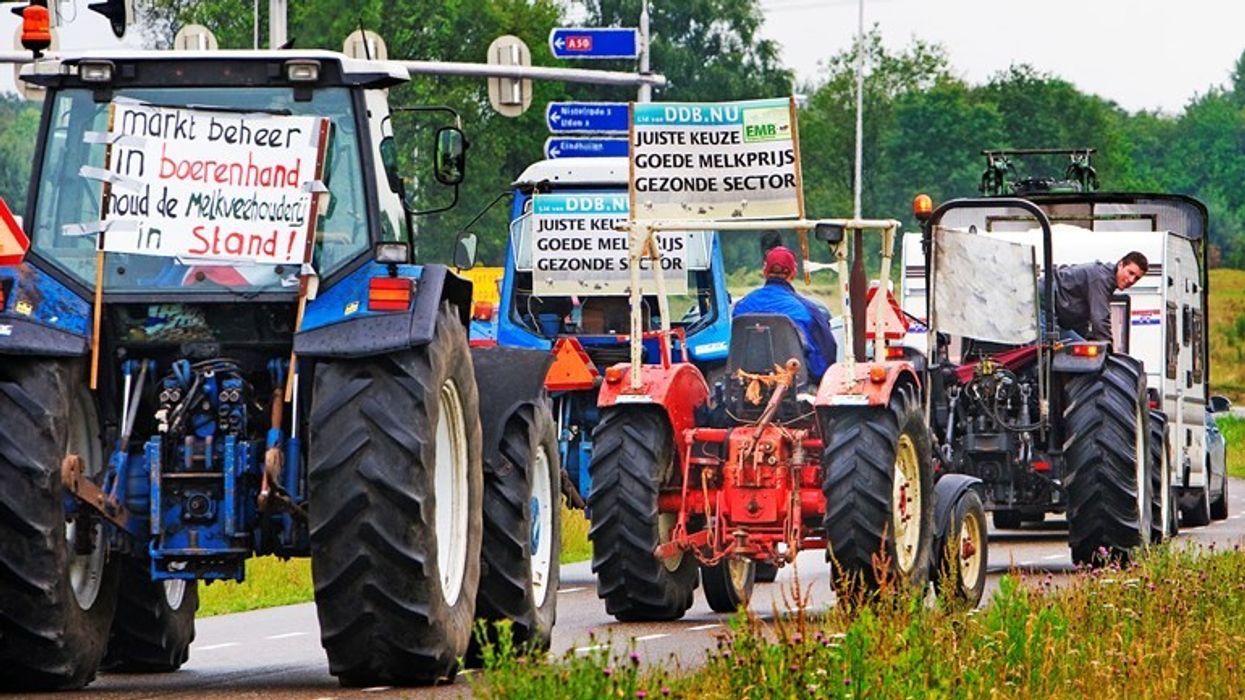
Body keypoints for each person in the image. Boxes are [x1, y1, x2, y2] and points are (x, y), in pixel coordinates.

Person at [733, 246, 838, 379]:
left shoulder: (740, 307)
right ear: (793, 274)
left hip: (747, 382)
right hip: (796, 385)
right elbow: (827, 358)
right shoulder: (808, 311)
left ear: (765, 272)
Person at [1044, 251, 1148, 341]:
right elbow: (1100, 319)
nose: (1131, 280)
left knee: (1080, 349)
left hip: (1056, 312)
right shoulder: (1101, 279)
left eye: (1136, 278)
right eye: (1130, 273)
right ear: (1120, 265)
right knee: (1045, 352)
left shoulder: (1106, 280)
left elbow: (1081, 319)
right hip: (1042, 304)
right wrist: (1108, 352)